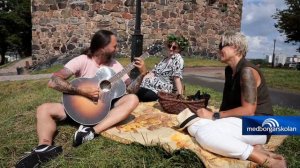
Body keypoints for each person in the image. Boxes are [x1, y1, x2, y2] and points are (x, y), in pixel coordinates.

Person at [16, 30, 147, 167]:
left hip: (103, 111)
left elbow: (131, 90)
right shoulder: (82, 60)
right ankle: (44, 147)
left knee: (132, 99)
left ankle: (90, 132)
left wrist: (142, 74)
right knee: (43, 109)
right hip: (77, 108)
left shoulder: (115, 65)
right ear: (102, 47)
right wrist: (82, 91)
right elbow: (53, 81)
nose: (117, 49)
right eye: (114, 46)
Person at [177, 31, 286, 168]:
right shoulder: (229, 70)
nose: (219, 50)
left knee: (205, 133)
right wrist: (212, 117)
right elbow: (228, 106)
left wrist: (214, 115)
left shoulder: (247, 71)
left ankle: (266, 159)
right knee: (193, 125)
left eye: (222, 45)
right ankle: (252, 146)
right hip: (239, 122)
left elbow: (248, 111)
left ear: (235, 47)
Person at [128, 34, 187, 102]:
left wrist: (180, 96)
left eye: (174, 47)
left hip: (161, 91)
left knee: (139, 92)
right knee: (134, 88)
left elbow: (177, 78)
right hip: (151, 86)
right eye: (169, 46)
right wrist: (140, 79)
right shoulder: (165, 59)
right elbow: (153, 73)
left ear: (179, 49)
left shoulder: (178, 59)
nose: (171, 48)